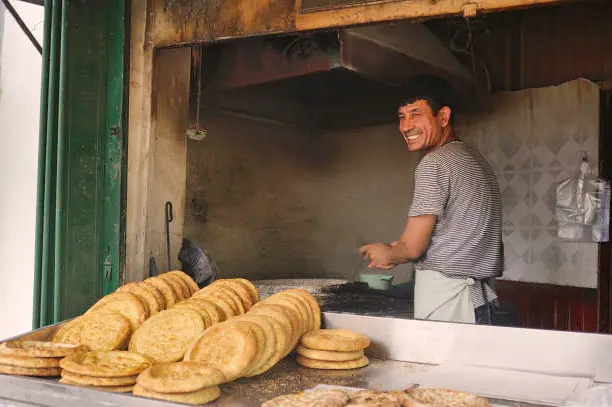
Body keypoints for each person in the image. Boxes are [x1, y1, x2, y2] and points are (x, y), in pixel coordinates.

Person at [359, 77, 503, 324]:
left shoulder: (434, 164)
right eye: (402, 116)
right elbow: (456, 234)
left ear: (443, 117)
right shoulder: (475, 160)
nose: (406, 126)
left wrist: (388, 253)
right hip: (480, 301)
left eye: (416, 114)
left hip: (451, 302)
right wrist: (398, 249)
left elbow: (412, 247)